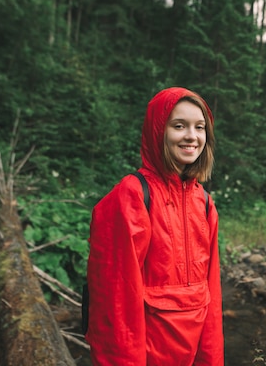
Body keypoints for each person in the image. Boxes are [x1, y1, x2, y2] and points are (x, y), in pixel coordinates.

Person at [85, 87, 224, 365]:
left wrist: (212, 361)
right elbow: (116, 303)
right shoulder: (132, 195)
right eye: (178, 126)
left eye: (199, 127)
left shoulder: (205, 203)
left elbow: (211, 297)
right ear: (158, 131)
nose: (191, 136)